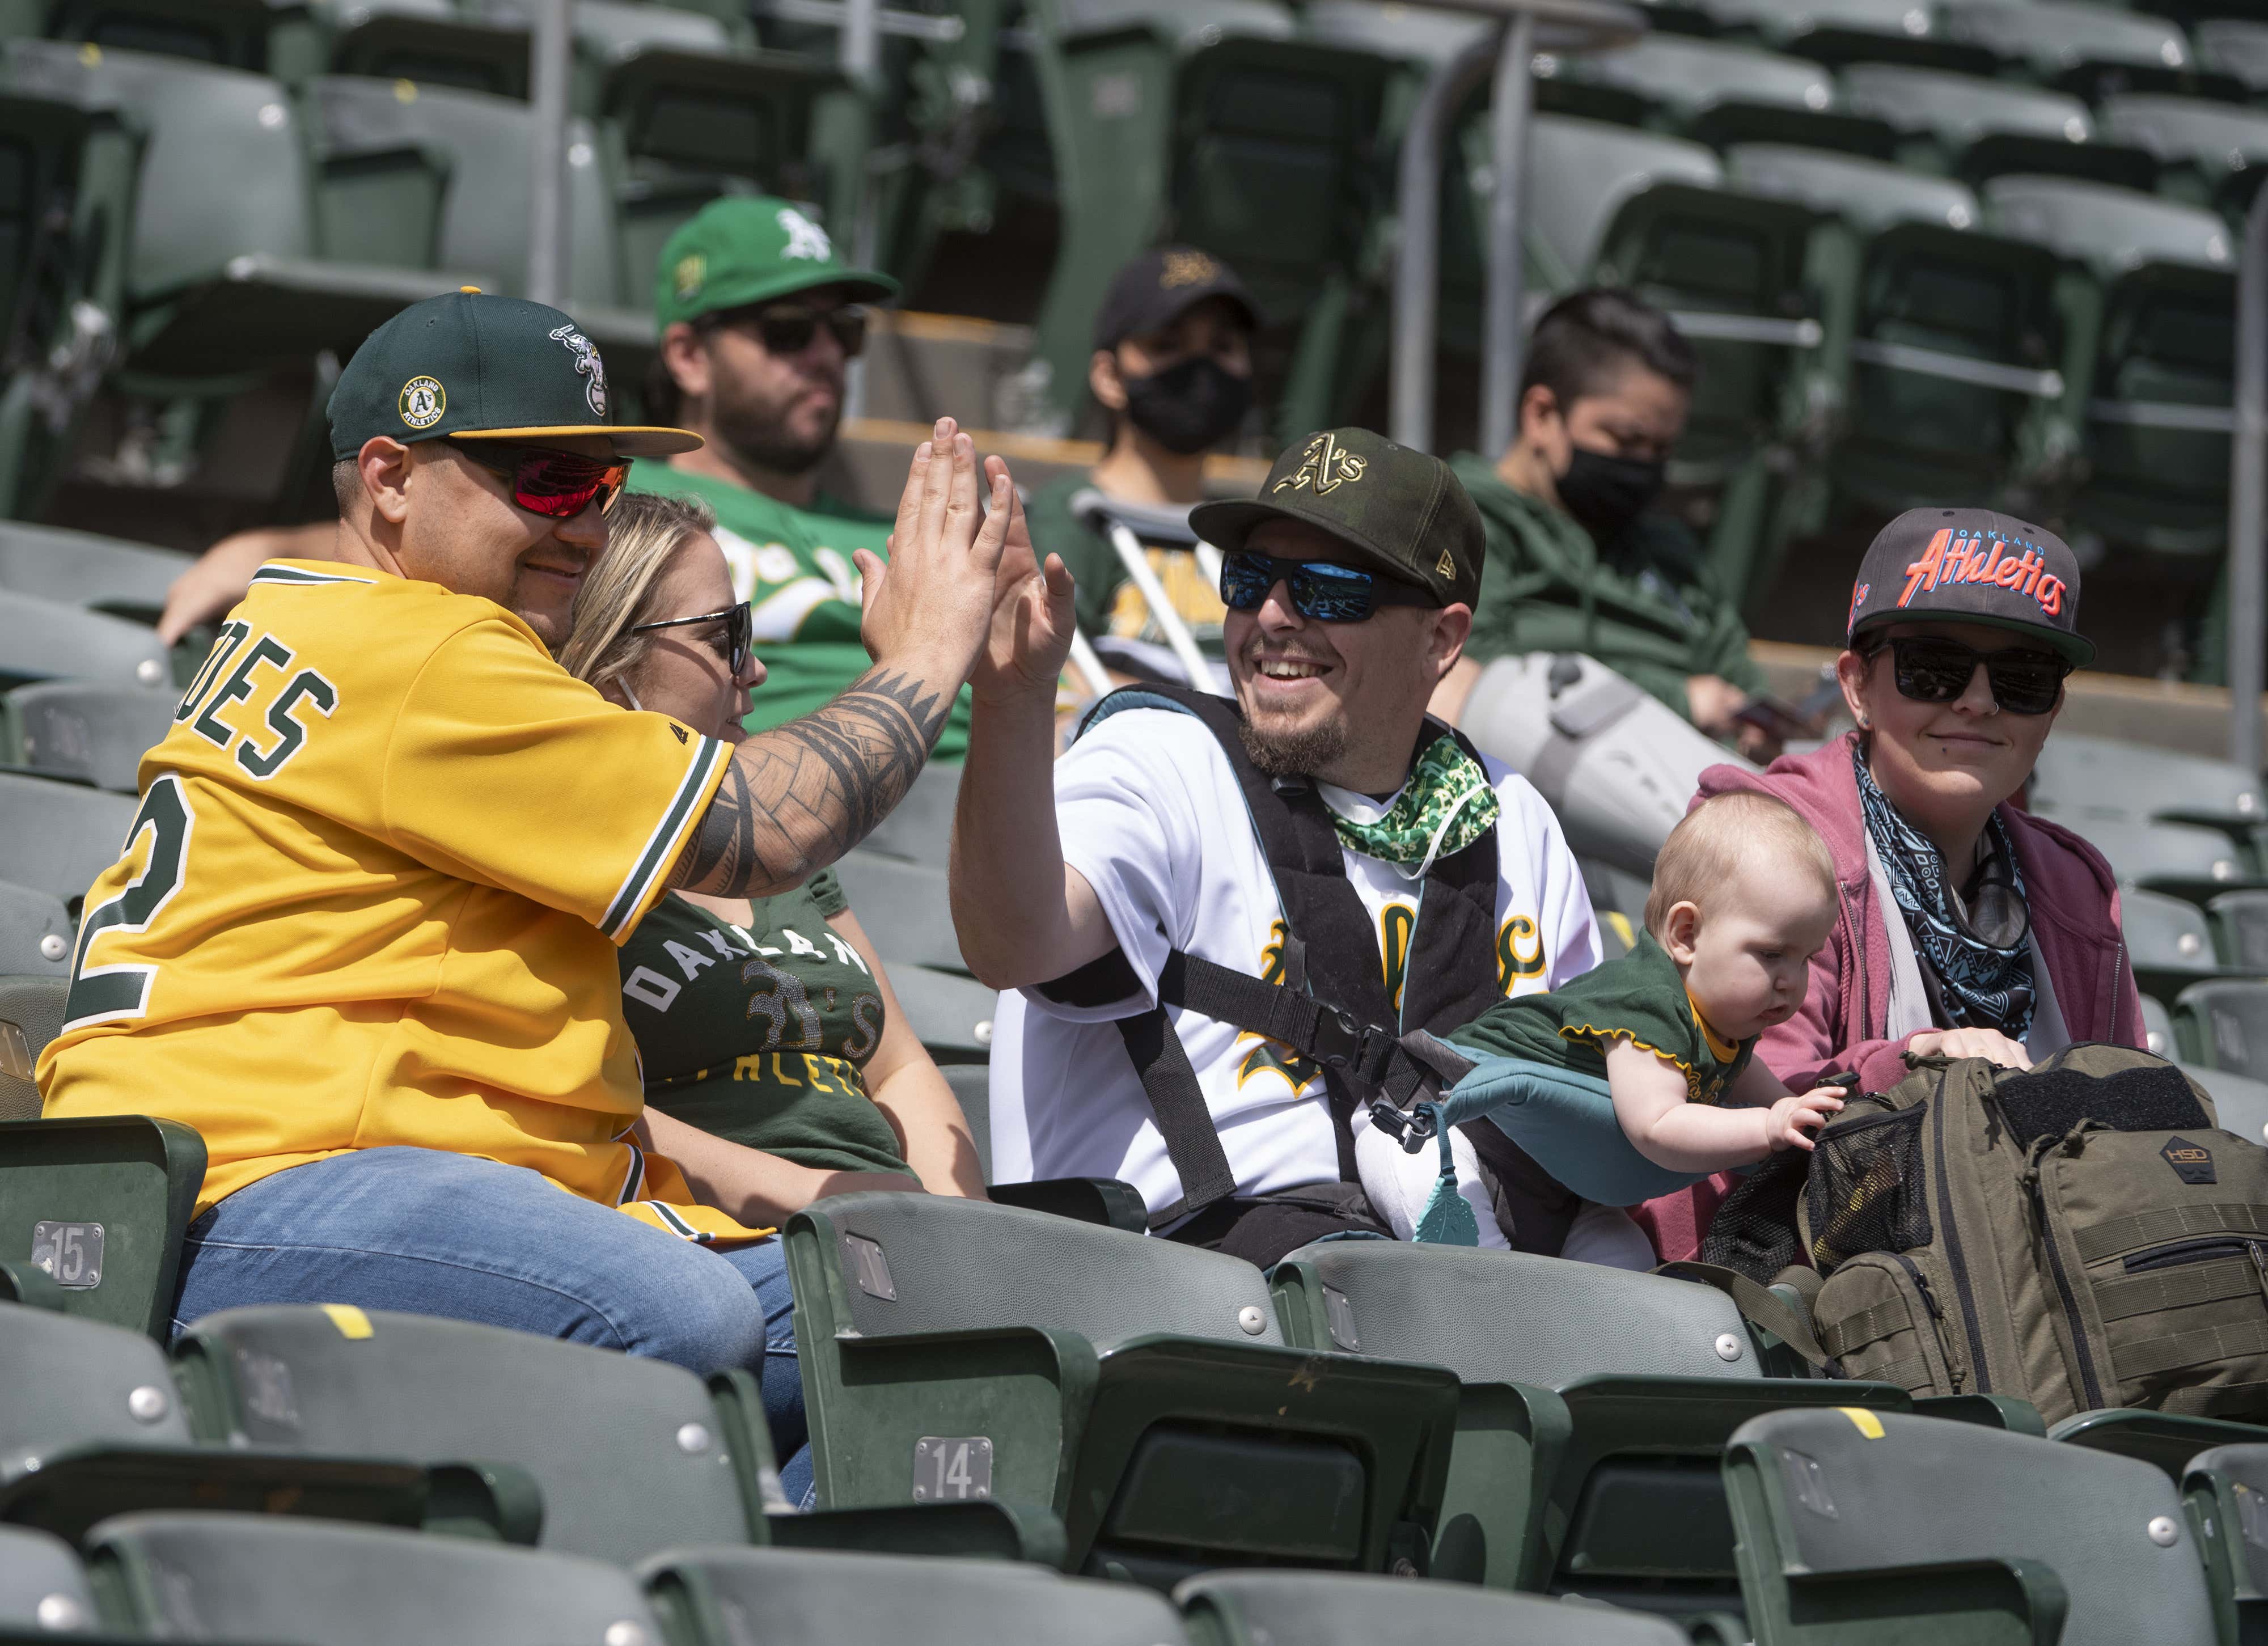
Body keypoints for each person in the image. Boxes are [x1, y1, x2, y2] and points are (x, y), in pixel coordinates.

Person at [40, 287, 1008, 1452]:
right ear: (391, 477)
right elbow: (762, 827)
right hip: (248, 1186)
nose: (587, 526)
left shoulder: (335, 624)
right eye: (543, 481)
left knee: (902, 1342)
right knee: (679, 1314)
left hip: (339, 1184)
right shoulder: (429, 646)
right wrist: (932, 646)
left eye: (598, 485)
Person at [957, 424, 1657, 1270]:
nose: (1274, 616)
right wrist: (1011, 701)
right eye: (1249, 580)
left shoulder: (1514, 817)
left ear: (1442, 638)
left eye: (1330, 591)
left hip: (1471, 1294)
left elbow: (1579, 1120)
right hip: (1187, 1294)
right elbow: (1011, 939)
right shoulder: (1158, 758)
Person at [153, 198, 980, 763]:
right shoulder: (440, 677)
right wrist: (261, 552)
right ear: (689, 355)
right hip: (788, 802)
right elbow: (392, 534)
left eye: (846, 332)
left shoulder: (908, 532)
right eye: (791, 330)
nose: (586, 524)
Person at [1637, 506, 2149, 1262]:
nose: (1977, 700)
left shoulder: (2076, 885)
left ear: (2053, 711)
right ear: (1857, 685)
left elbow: (2127, 1118)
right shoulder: (1761, 840)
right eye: (1934, 668)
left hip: (2028, 1296)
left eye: (2022, 679)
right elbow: (1757, 1102)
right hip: (1790, 1290)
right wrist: (1926, 1057)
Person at [557, 488, 988, 1215]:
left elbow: (897, 1069)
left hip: (897, 1240)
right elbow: (588, 1112)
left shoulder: (794, 867)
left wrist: (966, 1234)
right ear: (609, 660)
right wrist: (845, 1208)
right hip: (721, 1244)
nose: (753, 669)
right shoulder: (557, 855)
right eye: (723, 636)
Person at [1414, 794, 1845, 1206]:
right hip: (1443, 1111)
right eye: (1772, 954)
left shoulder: (1724, 1020)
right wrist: (1770, 1125)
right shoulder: (1650, 1006)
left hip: (1542, 1174)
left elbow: (1753, 1079)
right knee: (1433, 1202)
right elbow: (1657, 1127)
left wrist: (1795, 1111)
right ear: (1686, 935)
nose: (1793, 981)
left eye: (1806, 958)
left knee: (1626, 1258)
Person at [1430, 288, 1775, 760]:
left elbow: (1739, 675)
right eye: (1628, 439)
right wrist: (1678, 699)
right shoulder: (1463, 522)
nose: (1646, 466)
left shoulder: (1667, 546)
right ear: (1543, 416)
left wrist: (1763, 720)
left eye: (1662, 449)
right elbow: (1473, 675)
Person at [1021, 246, 1258, 644]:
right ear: (1109, 377)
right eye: (1167, 345)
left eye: (1222, 347)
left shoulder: (1249, 533)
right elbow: (1050, 678)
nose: (1201, 370)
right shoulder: (1067, 521)